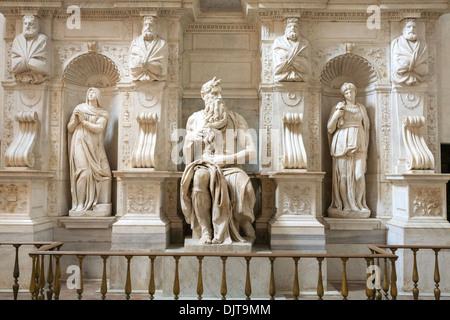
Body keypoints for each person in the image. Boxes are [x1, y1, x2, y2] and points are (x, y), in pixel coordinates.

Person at [180, 77, 256, 245]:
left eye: (220, 93)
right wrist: (190, 139)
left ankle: (244, 224)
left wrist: (226, 159)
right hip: (204, 165)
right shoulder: (194, 119)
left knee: (243, 182)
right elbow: (188, 157)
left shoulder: (236, 118)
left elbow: (252, 151)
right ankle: (206, 230)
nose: (219, 97)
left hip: (230, 166)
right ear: (204, 95)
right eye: (214, 93)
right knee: (200, 177)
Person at [327, 83, 370, 217]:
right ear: (343, 95)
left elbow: (367, 128)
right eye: (346, 92)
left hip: (359, 142)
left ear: (355, 92)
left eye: (351, 91)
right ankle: (345, 204)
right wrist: (336, 115)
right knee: (343, 177)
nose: (349, 94)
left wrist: (366, 147)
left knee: (359, 175)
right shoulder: (338, 107)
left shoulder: (361, 108)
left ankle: (358, 204)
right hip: (341, 143)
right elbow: (329, 128)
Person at [67, 87, 112, 212]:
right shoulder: (79, 108)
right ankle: (80, 204)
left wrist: (83, 121)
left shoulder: (103, 112)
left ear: (98, 96)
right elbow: (70, 129)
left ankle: (89, 203)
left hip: (93, 146)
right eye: (89, 92)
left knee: (97, 173)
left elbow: (99, 129)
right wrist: (76, 120)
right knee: (84, 172)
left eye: (93, 92)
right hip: (79, 141)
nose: (90, 93)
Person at [11, 15, 50, 84]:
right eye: (25, 23)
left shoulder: (43, 39)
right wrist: (32, 62)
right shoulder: (18, 39)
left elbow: (43, 67)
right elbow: (14, 66)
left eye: (30, 24)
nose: (27, 26)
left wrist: (22, 63)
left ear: (37, 26)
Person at [129, 15, 168, 82]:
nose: (148, 27)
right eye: (145, 25)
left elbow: (161, 69)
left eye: (151, 25)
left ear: (156, 27)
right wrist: (151, 64)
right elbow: (133, 66)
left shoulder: (162, 44)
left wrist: (144, 64)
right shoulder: (135, 42)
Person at [391, 18, 428, 86]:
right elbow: (398, 67)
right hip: (399, 78)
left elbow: (424, 69)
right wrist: (416, 65)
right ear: (403, 29)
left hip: (419, 79)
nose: (411, 29)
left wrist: (407, 63)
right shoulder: (396, 42)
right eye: (409, 27)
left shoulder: (423, 44)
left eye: (414, 27)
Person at [273, 17, 310, 82]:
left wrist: (287, 59)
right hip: (281, 76)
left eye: (295, 27)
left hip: (301, 76)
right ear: (285, 29)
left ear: (299, 29)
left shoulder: (304, 43)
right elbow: (277, 67)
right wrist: (297, 59)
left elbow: (306, 67)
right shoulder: (279, 41)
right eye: (290, 26)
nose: (293, 28)